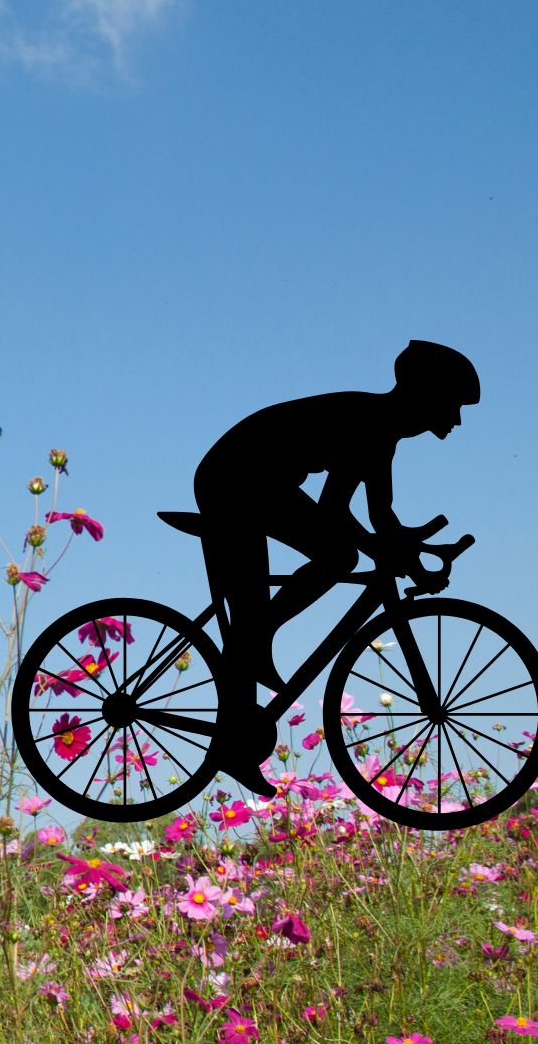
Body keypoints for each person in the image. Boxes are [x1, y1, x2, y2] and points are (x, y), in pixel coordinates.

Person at [190, 339, 478, 797]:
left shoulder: (381, 432)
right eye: (453, 405)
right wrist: (398, 554)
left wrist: (408, 557)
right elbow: (339, 515)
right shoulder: (371, 424)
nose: (456, 420)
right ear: (424, 394)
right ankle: (256, 643)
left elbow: (379, 520)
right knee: (334, 558)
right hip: (236, 477)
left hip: (251, 475)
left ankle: (237, 739)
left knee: (332, 557)